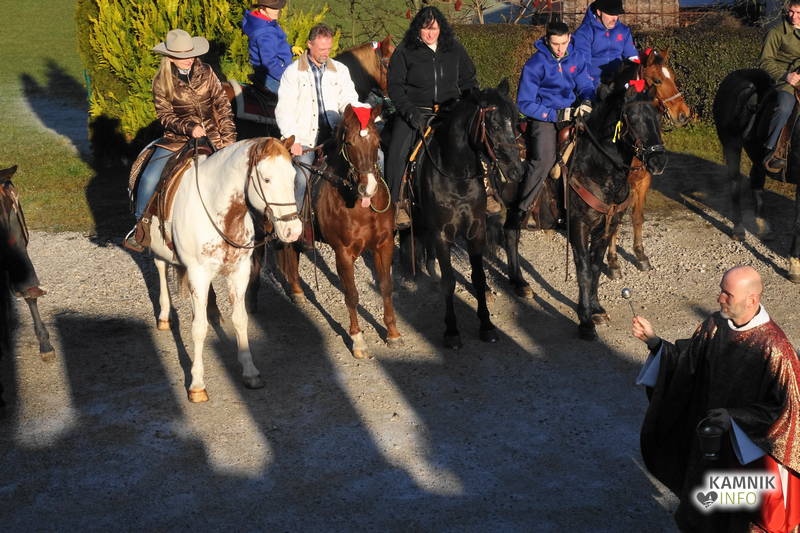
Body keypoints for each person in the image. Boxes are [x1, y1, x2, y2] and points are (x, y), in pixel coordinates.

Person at [632, 265, 800, 532]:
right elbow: (686, 366)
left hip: (744, 462)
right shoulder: (714, 325)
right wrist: (654, 343)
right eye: (721, 290)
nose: (719, 298)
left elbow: (789, 414)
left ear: (751, 300)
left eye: (727, 294)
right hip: (705, 450)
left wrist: (734, 418)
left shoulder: (776, 349)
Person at [124, 29, 237, 253]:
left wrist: (228, 140)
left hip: (214, 137)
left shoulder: (207, 72)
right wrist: (189, 128)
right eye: (181, 55)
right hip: (177, 139)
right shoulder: (161, 80)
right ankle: (141, 226)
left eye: (190, 53)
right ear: (170, 57)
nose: (188, 59)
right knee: (149, 177)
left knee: (241, 172)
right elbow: (165, 115)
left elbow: (222, 106)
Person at [386, 6, 478, 229]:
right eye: (425, 29)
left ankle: (489, 189)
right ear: (418, 28)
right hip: (415, 111)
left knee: (478, 140)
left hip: (450, 111)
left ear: (441, 28)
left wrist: (469, 104)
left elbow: (468, 79)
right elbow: (395, 88)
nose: (430, 34)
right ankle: (397, 204)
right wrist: (412, 114)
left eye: (434, 29)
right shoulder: (405, 50)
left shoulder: (454, 48)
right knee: (397, 152)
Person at [275, 23, 364, 215]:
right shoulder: (292, 73)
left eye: (329, 49)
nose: (326, 53)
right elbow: (284, 109)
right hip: (305, 139)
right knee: (301, 179)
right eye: (322, 49)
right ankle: (297, 221)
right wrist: (292, 139)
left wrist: (355, 117)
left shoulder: (340, 70)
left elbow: (348, 99)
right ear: (309, 45)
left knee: (371, 161)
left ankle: (372, 210)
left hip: (336, 135)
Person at [515, 21, 594, 226]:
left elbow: (586, 85)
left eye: (564, 43)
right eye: (555, 44)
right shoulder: (535, 64)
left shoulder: (577, 57)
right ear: (546, 40)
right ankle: (521, 210)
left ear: (569, 39)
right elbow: (524, 103)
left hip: (572, 113)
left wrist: (587, 100)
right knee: (543, 159)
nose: (560, 49)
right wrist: (553, 114)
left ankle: (587, 207)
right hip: (543, 117)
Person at [760, 0, 800, 173]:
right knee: (784, 108)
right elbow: (765, 62)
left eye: (798, 13)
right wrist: (786, 75)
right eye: (791, 12)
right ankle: (772, 151)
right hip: (786, 83)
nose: (794, 16)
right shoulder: (776, 32)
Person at [572, 0, 639, 90]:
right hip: (594, 84)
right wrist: (589, 87)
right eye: (611, 14)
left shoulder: (623, 31)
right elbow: (582, 65)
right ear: (599, 12)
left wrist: (634, 78)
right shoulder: (584, 33)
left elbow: (632, 57)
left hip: (619, 83)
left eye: (616, 14)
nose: (614, 18)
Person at [242, 0, 293, 94]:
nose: (277, 10)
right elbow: (270, 63)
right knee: (295, 96)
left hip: (267, 72)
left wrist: (290, 49)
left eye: (277, 7)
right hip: (272, 76)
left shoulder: (264, 22)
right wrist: (288, 77)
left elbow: (274, 46)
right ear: (262, 10)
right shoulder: (265, 33)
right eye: (273, 8)